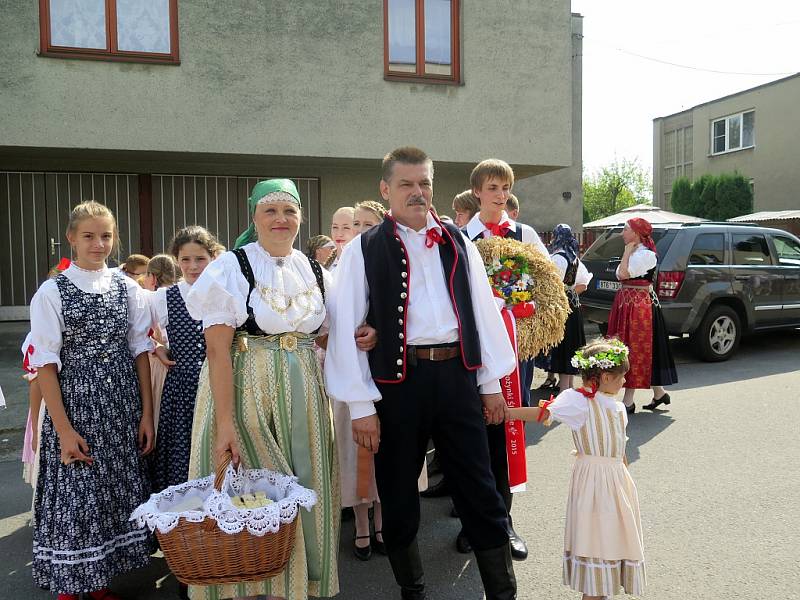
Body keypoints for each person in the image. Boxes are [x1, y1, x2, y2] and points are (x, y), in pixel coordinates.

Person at [326, 147, 518, 600]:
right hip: (398, 386)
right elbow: (347, 324)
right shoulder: (363, 249)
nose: (417, 193)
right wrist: (360, 406)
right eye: (407, 184)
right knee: (398, 494)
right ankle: (412, 590)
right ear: (386, 189)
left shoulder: (457, 241)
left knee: (480, 488)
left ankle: (503, 593)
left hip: (457, 378)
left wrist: (489, 384)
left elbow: (481, 313)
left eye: (424, 183)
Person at [185, 179, 376, 600]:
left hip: (305, 392)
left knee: (301, 490)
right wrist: (225, 423)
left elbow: (327, 335)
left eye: (289, 211)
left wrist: (364, 336)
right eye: (270, 211)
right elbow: (217, 352)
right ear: (254, 217)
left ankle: (292, 587)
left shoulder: (313, 269)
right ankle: (250, 587)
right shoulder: (232, 267)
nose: (280, 219)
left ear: (300, 218)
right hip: (247, 391)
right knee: (251, 494)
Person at [28, 201, 154, 600]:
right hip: (76, 407)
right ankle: (70, 587)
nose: (98, 244)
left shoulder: (127, 287)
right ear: (71, 238)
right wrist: (63, 430)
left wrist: (147, 413)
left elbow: (139, 351)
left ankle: (98, 582)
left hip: (120, 405)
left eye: (106, 235)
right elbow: (45, 365)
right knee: (76, 493)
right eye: (89, 236)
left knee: (108, 492)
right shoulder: (52, 291)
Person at [508, 339, 646, 599]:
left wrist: (626, 485)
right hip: (593, 485)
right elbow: (543, 414)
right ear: (605, 376)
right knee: (597, 542)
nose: (624, 383)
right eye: (621, 378)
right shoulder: (579, 402)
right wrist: (506, 413)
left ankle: (601, 591)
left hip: (615, 485)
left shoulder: (617, 407)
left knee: (611, 545)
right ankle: (594, 593)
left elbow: (620, 448)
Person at [461, 158, 550, 560]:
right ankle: (472, 523)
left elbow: (548, 287)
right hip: (472, 354)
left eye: (505, 188)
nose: (500, 195)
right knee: (471, 442)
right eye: (492, 187)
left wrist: (522, 311)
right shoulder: (460, 236)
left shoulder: (524, 233)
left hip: (513, 354)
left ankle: (506, 524)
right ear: (477, 191)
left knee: (507, 437)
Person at [150, 226, 220, 498]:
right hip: (181, 390)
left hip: (219, 384)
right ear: (176, 260)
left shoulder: (223, 293)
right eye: (186, 259)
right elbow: (140, 334)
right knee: (183, 452)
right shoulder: (165, 298)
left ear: (212, 258)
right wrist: (156, 347)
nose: (193, 266)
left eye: (200, 259)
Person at [607, 218, 678, 413]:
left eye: (626, 229)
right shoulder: (635, 252)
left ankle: (628, 400)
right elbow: (620, 275)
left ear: (636, 233)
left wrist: (627, 252)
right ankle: (659, 393)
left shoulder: (646, 255)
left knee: (635, 348)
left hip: (640, 307)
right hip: (628, 304)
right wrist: (627, 252)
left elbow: (622, 274)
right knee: (633, 347)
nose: (622, 233)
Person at [546, 224, 593, 392]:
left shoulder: (557, 258)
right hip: (573, 304)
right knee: (570, 344)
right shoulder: (574, 258)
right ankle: (569, 387)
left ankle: (564, 390)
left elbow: (552, 284)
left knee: (563, 345)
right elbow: (583, 283)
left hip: (561, 305)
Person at [141, 253, 179, 434]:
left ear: (153, 277)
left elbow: (139, 335)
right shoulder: (184, 293)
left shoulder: (153, 298)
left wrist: (156, 346)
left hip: (163, 367)